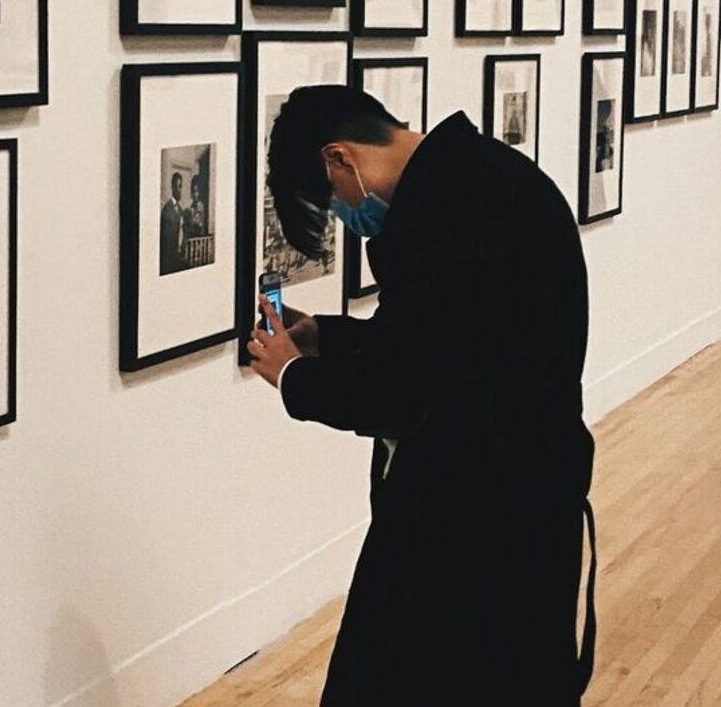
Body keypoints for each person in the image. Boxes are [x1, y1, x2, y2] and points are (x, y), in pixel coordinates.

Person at [245, 86, 597, 705]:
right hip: (522, 497)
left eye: (331, 201)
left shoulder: (445, 216)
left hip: (470, 522)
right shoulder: (486, 178)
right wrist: (326, 336)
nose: (344, 216)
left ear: (341, 159)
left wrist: (294, 377)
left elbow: (396, 392)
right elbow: (447, 346)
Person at [159, 172, 185, 275]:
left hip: (178, 255)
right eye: (179, 187)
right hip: (169, 257)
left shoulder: (180, 209)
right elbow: (166, 238)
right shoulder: (167, 209)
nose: (181, 190)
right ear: (173, 188)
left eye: (181, 187)